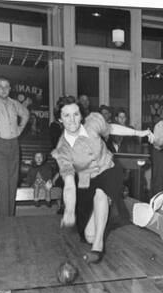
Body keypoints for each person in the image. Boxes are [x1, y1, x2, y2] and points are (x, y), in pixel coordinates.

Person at [51, 96, 154, 263]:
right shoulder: (62, 149)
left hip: (109, 169)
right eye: (66, 115)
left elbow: (111, 128)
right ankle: (106, 217)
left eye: (76, 114)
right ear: (59, 119)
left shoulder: (92, 122)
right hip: (85, 182)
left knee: (101, 192)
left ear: (81, 114)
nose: (72, 120)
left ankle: (98, 247)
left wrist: (138, 133)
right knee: (89, 235)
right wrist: (69, 211)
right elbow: (69, 184)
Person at [0, 76, 30, 217]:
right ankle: (2, 222)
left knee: (12, 184)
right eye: (0, 86)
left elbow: (26, 114)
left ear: (10, 89)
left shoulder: (13, 103)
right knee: (3, 184)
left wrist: (19, 130)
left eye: (6, 86)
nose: (4, 89)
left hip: (13, 145)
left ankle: (9, 219)